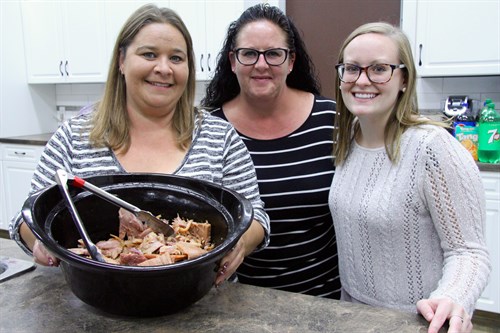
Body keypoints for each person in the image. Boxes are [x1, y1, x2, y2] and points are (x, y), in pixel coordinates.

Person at [9, 4, 270, 287]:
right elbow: (26, 219)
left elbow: (256, 216)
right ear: (121, 60)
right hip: (98, 299)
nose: (163, 68)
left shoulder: (220, 138)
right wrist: (41, 242)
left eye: (176, 58)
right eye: (149, 54)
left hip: (200, 300)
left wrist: (240, 243)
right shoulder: (74, 138)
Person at [328, 22, 491, 333]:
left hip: (415, 322)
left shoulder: (432, 148)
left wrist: (452, 297)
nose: (362, 80)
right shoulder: (348, 138)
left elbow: (469, 251)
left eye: (379, 69)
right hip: (350, 315)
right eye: (351, 68)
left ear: (403, 78)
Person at [202, 3, 341, 298]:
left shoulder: (331, 120)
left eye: (273, 54)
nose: (261, 65)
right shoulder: (209, 131)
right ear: (232, 61)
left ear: (291, 61)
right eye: (249, 53)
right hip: (236, 302)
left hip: (324, 301)